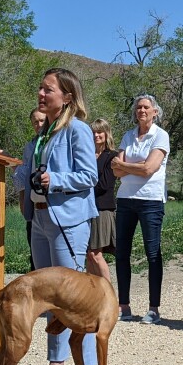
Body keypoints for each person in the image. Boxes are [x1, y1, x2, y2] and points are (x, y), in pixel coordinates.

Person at [15, 68, 101, 365]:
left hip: (68, 221)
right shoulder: (42, 135)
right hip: (39, 221)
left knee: (75, 301)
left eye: (47, 89)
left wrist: (57, 179)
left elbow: (88, 175)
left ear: (66, 96)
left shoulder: (77, 130)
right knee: (49, 301)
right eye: (39, 88)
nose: (40, 93)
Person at [111, 94, 171, 324]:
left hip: (150, 200)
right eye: (138, 107)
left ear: (155, 112)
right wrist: (135, 166)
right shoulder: (129, 135)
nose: (141, 111)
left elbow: (150, 169)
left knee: (152, 253)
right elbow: (116, 171)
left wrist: (127, 166)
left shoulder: (161, 136)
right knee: (122, 252)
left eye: (146, 107)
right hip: (126, 198)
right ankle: (123, 305)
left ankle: (153, 308)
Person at [86, 118, 118, 281]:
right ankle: (93, 295)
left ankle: (109, 294)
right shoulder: (86, 155)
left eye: (99, 132)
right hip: (85, 209)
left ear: (106, 134)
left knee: (96, 253)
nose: (96, 135)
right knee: (87, 254)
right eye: (93, 132)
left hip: (102, 208)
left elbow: (105, 184)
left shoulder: (112, 156)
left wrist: (82, 187)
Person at [21, 108, 47, 271]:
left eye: (42, 120)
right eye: (35, 122)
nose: (38, 125)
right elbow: (24, 177)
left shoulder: (56, 140)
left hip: (54, 207)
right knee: (36, 262)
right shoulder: (30, 146)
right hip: (35, 208)